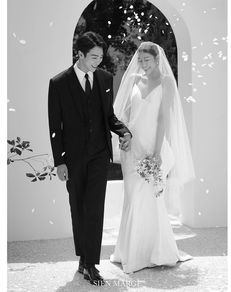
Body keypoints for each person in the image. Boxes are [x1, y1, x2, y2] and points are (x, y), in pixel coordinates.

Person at [48, 31, 132, 285]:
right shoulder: (59, 83)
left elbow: (109, 116)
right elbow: (55, 125)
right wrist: (59, 161)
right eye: (93, 57)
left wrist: (124, 131)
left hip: (98, 155)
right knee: (78, 207)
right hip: (72, 158)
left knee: (94, 208)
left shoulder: (105, 78)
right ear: (80, 54)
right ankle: (83, 259)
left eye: (100, 57)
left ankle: (91, 264)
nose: (98, 61)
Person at [110, 42, 195, 273]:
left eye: (147, 60)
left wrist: (157, 152)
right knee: (132, 196)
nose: (143, 64)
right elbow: (126, 113)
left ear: (157, 60)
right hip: (133, 146)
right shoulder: (135, 80)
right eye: (140, 60)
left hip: (153, 146)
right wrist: (124, 136)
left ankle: (155, 251)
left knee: (150, 197)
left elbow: (162, 119)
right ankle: (129, 252)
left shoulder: (166, 82)